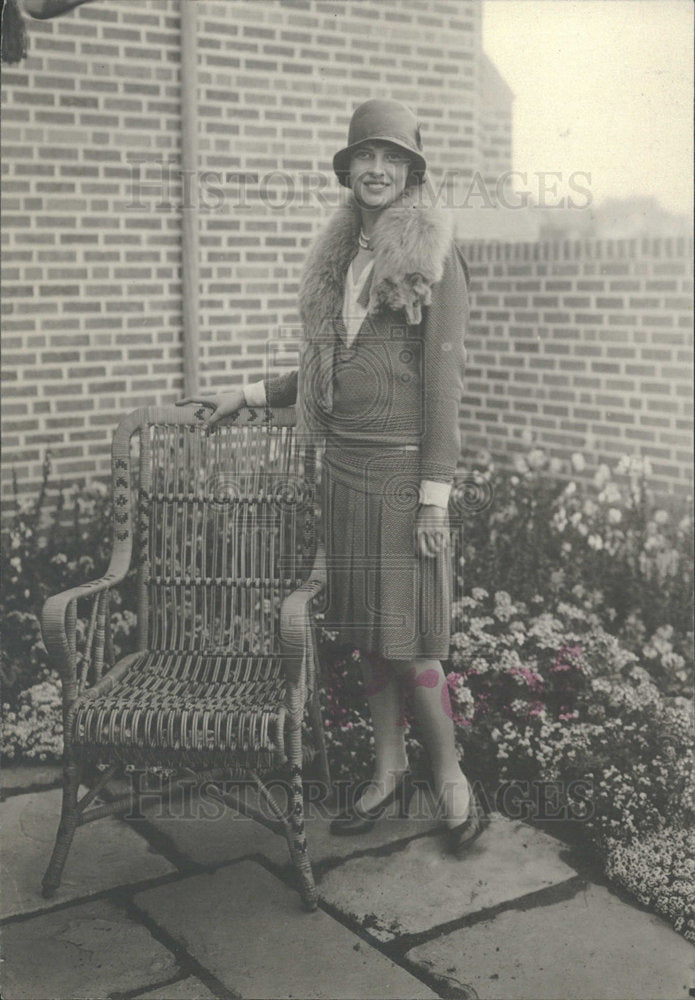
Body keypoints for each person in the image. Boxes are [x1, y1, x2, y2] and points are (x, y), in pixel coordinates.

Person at [179, 98, 485, 854]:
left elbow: (443, 387)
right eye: (363, 158)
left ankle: (448, 776)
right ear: (348, 170)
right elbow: (326, 367)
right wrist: (247, 395)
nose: (375, 169)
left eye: (391, 159)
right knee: (364, 637)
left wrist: (433, 500)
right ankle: (384, 773)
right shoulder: (344, 258)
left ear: (411, 171)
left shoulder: (433, 257)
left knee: (412, 641)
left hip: (402, 479)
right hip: (341, 477)